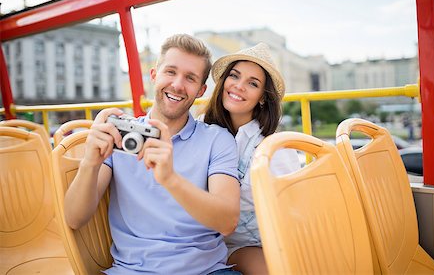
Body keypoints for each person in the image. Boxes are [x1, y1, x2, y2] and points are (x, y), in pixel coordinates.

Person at [65, 34, 241, 275]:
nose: (178, 85)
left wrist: (170, 179)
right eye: (170, 72)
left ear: (200, 90)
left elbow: (227, 222)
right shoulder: (119, 134)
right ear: (154, 75)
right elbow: (74, 218)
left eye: (190, 78)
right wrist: (90, 162)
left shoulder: (217, 139)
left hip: (206, 271)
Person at [203, 43, 301, 275]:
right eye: (234, 76)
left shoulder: (272, 147)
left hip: (270, 239)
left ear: (262, 98)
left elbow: (293, 206)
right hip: (225, 242)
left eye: (253, 83)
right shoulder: (202, 132)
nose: (239, 86)